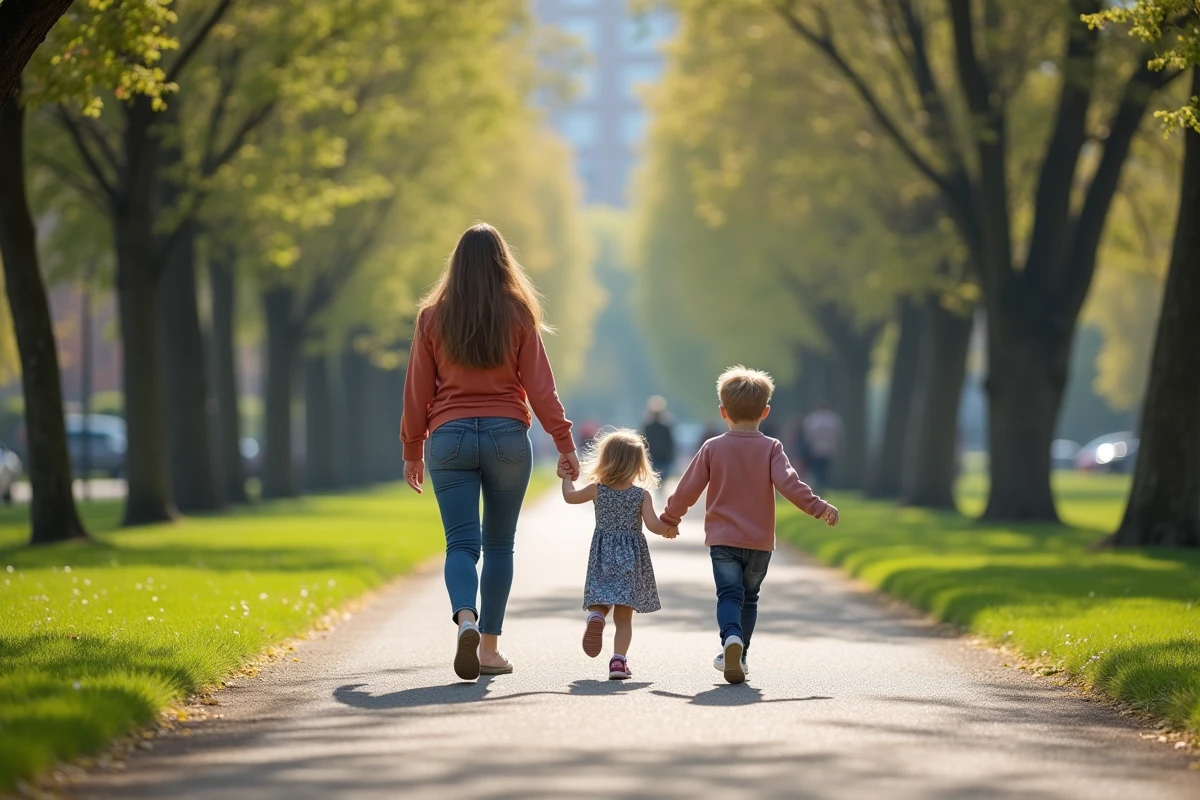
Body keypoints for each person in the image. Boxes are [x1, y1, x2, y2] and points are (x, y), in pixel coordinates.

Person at [401, 223, 580, 681]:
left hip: (448, 435)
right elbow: (542, 390)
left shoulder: (432, 317)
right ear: (504, 262)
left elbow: (417, 390)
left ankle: (465, 618)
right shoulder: (518, 313)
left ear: (456, 264)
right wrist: (564, 444)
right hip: (506, 437)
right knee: (500, 544)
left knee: (461, 544)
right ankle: (489, 650)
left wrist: (412, 448)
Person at [661, 366, 838, 685]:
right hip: (758, 542)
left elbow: (688, 487)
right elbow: (790, 485)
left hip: (723, 540)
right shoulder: (772, 448)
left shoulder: (713, 447)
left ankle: (730, 639)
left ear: (722, 411)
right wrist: (818, 507)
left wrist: (671, 518)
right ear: (766, 412)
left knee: (729, 595)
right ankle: (740, 656)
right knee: (750, 597)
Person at [559, 429, 677, 680]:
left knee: (601, 599)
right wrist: (668, 529)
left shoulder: (597, 490)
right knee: (624, 617)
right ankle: (618, 663)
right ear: (638, 464)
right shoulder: (640, 495)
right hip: (631, 559)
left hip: (602, 555)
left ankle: (596, 616)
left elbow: (570, 497)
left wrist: (564, 478)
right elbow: (653, 524)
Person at [802, 400, 843, 491]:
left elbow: (808, 435)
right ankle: (821, 485)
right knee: (824, 468)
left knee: (817, 469)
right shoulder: (834, 419)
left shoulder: (812, 419)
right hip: (828, 449)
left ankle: (818, 485)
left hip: (816, 449)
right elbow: (838, 435)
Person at [642, 396, 676, 493]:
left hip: (654, 455)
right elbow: (670, 442)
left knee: (657, 476)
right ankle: (660, 490)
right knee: (662, 477)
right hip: (663, 456)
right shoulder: (666, 426)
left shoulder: (648, 426)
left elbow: (644, 442)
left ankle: (659, 491)